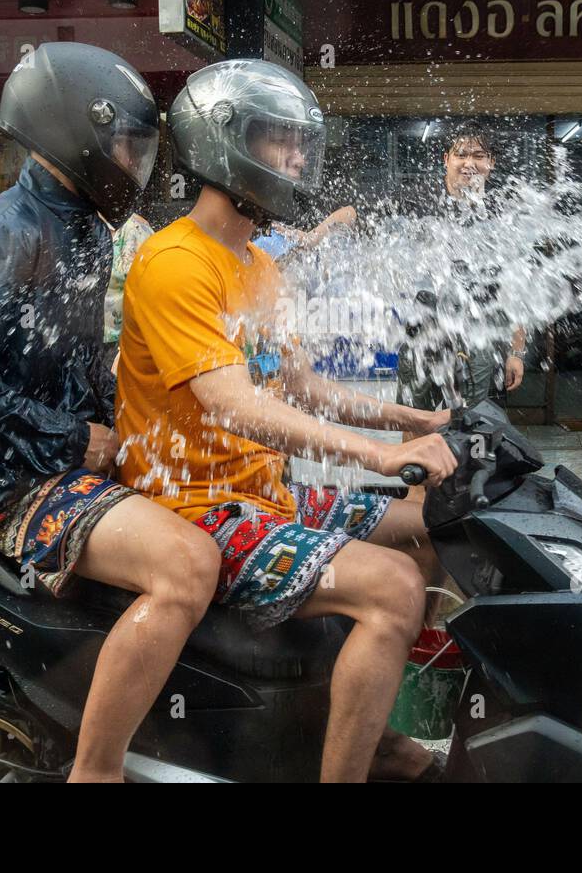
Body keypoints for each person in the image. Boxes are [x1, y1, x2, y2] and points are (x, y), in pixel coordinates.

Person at [115, 59, 458, 783]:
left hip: (262, 493)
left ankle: (359, 725)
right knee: (395, 585)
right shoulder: (175, 262)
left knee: (431, 524)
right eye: (282, 142)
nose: (299, 159)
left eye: (302, 143)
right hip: (197, 507)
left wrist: (411, 418)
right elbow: (235, 404)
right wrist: (375, 455)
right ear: (226, 144)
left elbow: (298, 385)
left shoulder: (257, 264)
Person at [0, 43, 221, 783]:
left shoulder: (82, 226)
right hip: (2, 485)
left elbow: (77, 362)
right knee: (185, 567)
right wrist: (72, 437)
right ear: (71, 132)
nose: (130, 162)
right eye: (122, 143)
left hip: (54, 463)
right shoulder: (6, 230)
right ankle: (98, 771)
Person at [395, 125, 526, 420]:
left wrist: (516, 352)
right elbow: (361, 217)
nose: (469, 163)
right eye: (461, 154)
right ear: (446, 159)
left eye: (478, 155)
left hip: (481, 340)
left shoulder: (504, 213)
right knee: (414, 420)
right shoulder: (416, 201)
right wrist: (316, 235)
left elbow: (515, 287)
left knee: (479, 422)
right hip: (424, 334)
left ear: (490, 163)